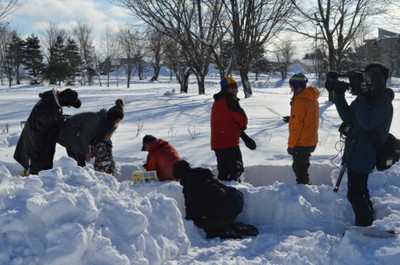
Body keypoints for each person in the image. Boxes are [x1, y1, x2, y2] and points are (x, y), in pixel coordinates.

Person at [332, 63, 393, 226]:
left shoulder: (382, 102)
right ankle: (368, 220)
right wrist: (339, 96)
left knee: (355, 194)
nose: (363, 79)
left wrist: (361, 98)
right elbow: (347, 116)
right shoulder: (367, 98)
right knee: (360, 191)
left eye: (366, 76)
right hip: (354, 153)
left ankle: (364, 225)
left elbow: (367, 123)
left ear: (376, 78)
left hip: (365, 155)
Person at [172, 160, 258, 239]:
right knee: (217, 214)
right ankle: (232, 226)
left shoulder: (190, 186)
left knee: (204, 227)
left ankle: (226, 231)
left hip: (222, 215)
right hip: (234, 206)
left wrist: (188, 225)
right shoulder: (203, 175)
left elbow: (192, 210)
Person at [14, 88, 81, 175]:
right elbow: (45, 127)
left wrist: (65, 118)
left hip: (46, 138)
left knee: (46, 162)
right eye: (68, 105)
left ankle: (40, 176)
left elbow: (54, 118)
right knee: (40, 164)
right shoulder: (46, 108)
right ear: (62, 100)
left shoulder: (54, 100)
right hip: (37, 140)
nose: (68, 107)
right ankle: (35, 180)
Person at [211, 76, 255, 182]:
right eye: (235, 87)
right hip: (229, 144)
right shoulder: (230, 101)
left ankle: (222, 197)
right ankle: (235, 196)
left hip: (218, 144)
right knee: (235, 175)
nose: (237, 90)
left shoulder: (216, 102)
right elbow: (243, 120)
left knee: (223, 175)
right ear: (229, 89)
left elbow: (228, 123)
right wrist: (242, 128)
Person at [58, 99, 124, 169]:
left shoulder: (104, 121)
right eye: (118, 120)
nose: (118, 122)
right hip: (66, 131)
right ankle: (81, 175)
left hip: (73, 133)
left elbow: (95, 137)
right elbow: (85, 136)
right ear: (113, 117)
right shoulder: (95, 120)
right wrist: (87, 152)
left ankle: (75, 172)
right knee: (81, 154)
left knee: (76, 156)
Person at [286, 73, 320, 185]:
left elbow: (296, 127)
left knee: (300, 171)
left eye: (291, 85)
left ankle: (304, 192)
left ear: (297, 86)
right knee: (301, 168)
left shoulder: (300, 101)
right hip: (310, 140)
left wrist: (291, 146)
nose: (290, 88)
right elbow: (307, 118)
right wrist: (292, 118)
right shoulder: (311, 97)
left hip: (302, 143)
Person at [93, 99, 124, 175]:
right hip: (101, 146)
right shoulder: (108, 124)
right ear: (114, 118)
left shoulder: (108, 122)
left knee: (109, 164)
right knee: (104, 165)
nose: (119, 122)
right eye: (118, 120)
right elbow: (105, 138)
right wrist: (114, 127)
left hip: (103, 145)